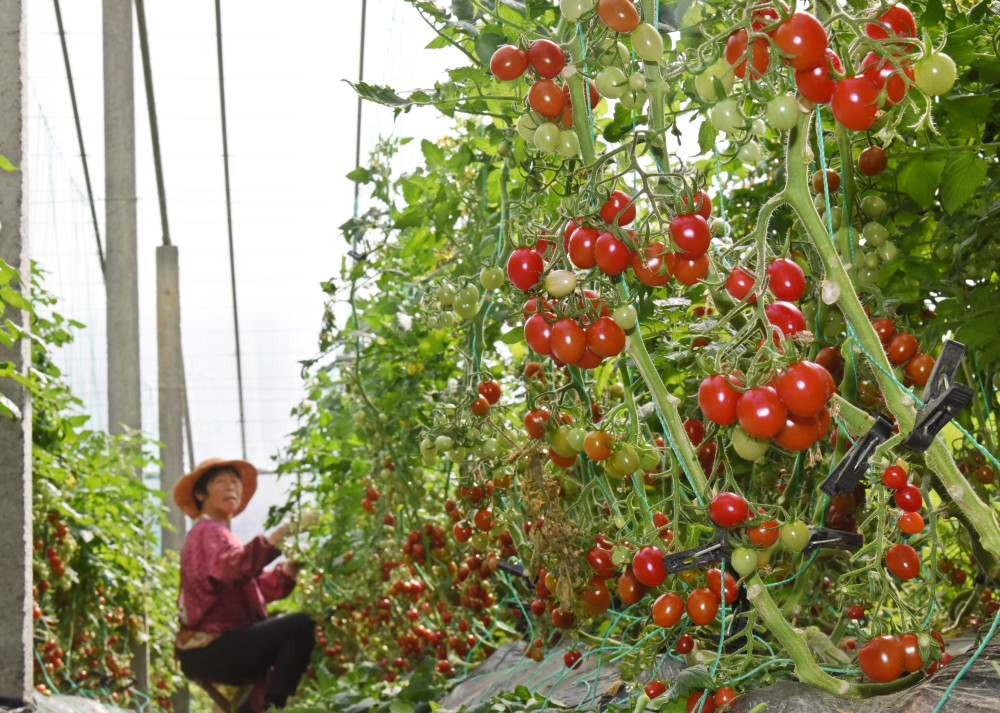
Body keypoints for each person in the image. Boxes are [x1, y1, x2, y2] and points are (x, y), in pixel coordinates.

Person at [172, 457, 319, 712]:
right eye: (221, 482)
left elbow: (252, 587)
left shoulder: (218, 534)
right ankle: (271, 707)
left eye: (235, 482)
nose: (231, 487)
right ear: (200, 494)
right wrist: (280, 534)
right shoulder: (208, 531)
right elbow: (237, 569)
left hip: (209, 648)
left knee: (284, 623)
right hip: (210, 647)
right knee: (300, 627)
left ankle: (254, 708)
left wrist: (289, 570)